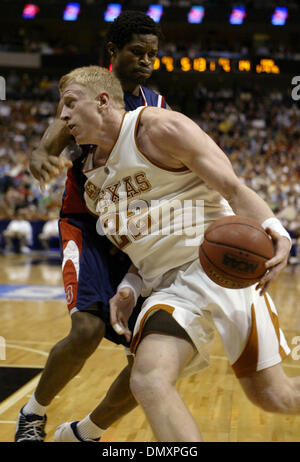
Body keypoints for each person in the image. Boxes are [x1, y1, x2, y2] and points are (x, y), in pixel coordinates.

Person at [57, 65, 298, 442]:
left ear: (102, 101)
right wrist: (130, 287)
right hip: (169, 289)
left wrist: (275, 229)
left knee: (275, 397)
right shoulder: (91, 186)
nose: (62, 115)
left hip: (220, 268)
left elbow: (231, 187)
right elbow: (142, 248)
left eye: (70, 104)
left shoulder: (156, 128)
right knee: (148, 379)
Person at [15, 11, 169, 443]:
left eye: (152, 54)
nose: (145, 60)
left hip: (136, 236)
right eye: (137, 51)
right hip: (86, 224)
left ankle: (85, 434)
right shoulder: (87, 90)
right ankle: (33, 413)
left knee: (151, 359)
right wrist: (41, 152)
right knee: (86, 329)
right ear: (113, 52)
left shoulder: (156, 106)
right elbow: (58, 128)